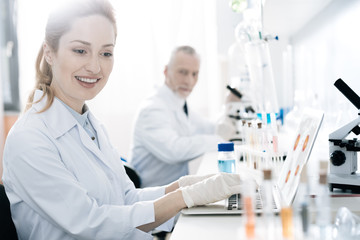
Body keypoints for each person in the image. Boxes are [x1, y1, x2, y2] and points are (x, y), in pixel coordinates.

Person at [1, 1, 246, 239]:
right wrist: (184, 197)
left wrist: (185, 186)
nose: (95, 67)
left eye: (106, 53)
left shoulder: (91, 126)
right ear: (49, 53)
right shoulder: (30, 138)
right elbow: (92, 222)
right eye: (80, 51)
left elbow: (127, 198)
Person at [130, 46, 235, 187]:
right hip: (153, 197)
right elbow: (175, 150)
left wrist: (228, 106)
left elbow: (208, 127)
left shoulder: (178, 103)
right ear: (166, 71)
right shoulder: (153, 109)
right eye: (183, 72)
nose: (189, 81)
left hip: (174, 193)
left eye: (194, 74)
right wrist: (219, 140)